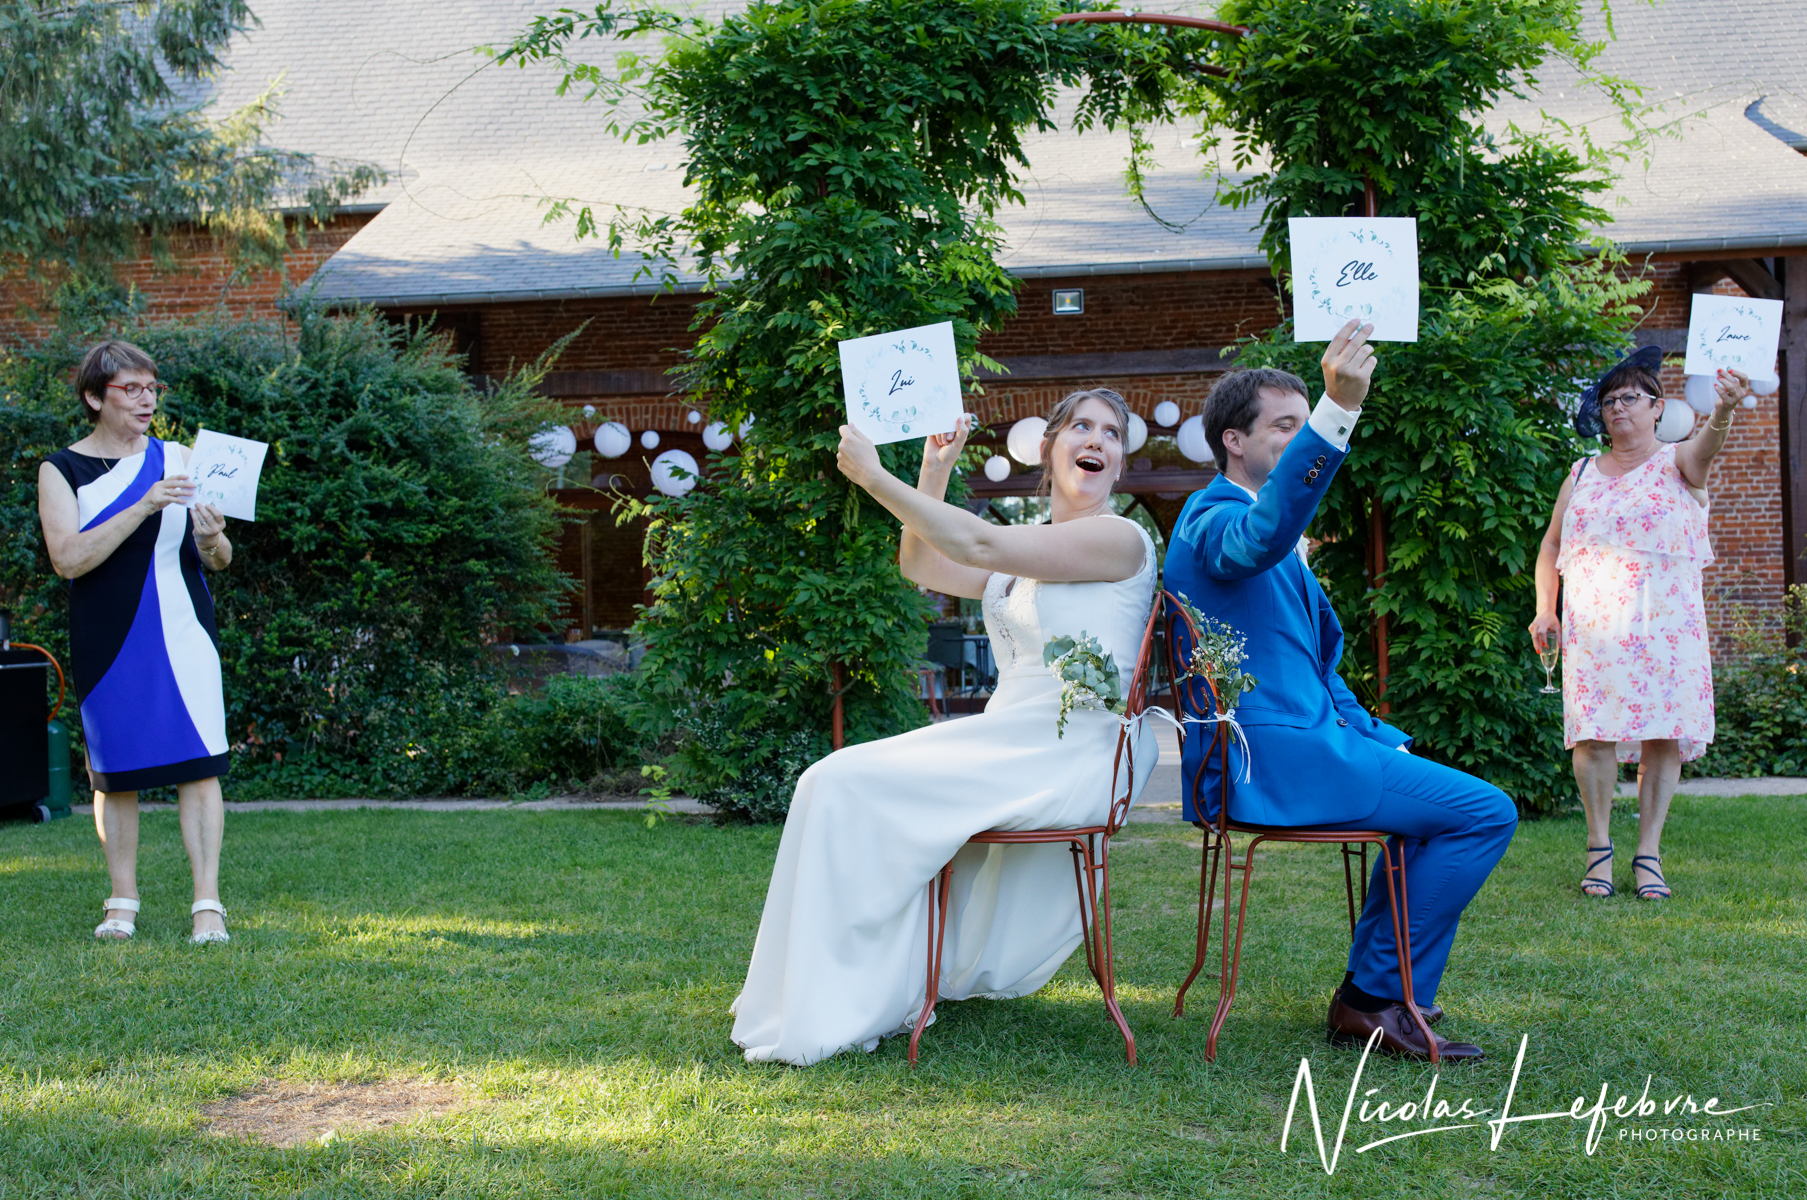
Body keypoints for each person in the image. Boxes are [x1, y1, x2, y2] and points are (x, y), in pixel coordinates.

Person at [730, 389, 1159, 1065]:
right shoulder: (1025, 556)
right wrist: (933, 470)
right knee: (824, 780)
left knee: (841, 782)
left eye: (1113, 433)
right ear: (1047, 448)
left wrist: (874, 477)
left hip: (1071, 750)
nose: (1098, 440)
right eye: (1081, 425)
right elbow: (923, 564)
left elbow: (978, 538)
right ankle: (820, 988)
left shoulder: (1118, 538)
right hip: (1009, 738)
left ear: (1118, 463)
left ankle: (850, 991)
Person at [1163, 323, 1518, 1063]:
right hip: (1272, 760)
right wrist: (1335, 413)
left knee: (1442, 817)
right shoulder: (1211, 520)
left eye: (1304, 425)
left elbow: (1317, 672)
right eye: (1284, 426)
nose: (1296, 438)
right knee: (1485, 812)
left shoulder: (1269, 533)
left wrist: (1381, 739)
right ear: (1233, 440)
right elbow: (1260, 536)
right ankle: (1373, 1000)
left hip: (1319, 745)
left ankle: (1374, 1000)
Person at [1528, 346, 1748, 902]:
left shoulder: (1679, 462)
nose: (1617, 407)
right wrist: (1545, 607)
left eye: (1630, 397)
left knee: (1663, 737)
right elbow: (1552, 544)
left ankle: (1648, 853)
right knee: (1593, 734)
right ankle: (1597, 850)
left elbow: (1708, 449)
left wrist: (1721, 410)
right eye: (1608, 400)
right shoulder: (1580, 473)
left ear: (1657, 408)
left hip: (1667, 631)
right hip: (1596, 629)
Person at [37, 341, 234, 945]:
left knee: (199, 768)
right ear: (95, 397)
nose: (146, 399)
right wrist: (146, 504)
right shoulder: (60, 470)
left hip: (184, 632)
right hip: (109, 636)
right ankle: (121, 902)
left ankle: (208, 906)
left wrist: (212, 537)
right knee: (114, 774)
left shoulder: (181, 458)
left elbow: (220, 560)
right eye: (131, 389)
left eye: (153, 388)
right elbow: (68, 559)